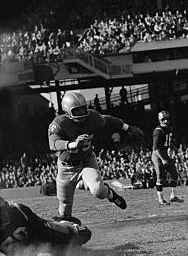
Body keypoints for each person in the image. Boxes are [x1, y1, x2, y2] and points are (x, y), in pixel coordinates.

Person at [48, 91, 145, 224]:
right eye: (77, 110)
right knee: (64, 206)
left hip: (87, 161)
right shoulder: (59, 123)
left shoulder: (92, 117)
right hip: (67, 167)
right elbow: (53, 144)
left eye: (83, 108)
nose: (82, 113)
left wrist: (127, 127)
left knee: (98, 191)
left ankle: (110, 194)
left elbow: (108, 120)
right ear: (67, 112)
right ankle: (67, 226)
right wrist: (72, 144)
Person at [0, 197, 91, 256]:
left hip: (47, 232)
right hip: (31, 248)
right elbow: (12, 253)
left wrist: (46, 250)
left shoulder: (19, 210)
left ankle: (64, 222)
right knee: (63, 253)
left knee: (84, 233)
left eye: (2, 210)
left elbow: (41, 228)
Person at [151, 111, 183, 205]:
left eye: (167, 119)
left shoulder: (169, 129)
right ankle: (160, 199)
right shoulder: (157, 131)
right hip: (157, 154)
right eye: (163, 119)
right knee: (160, 176)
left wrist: (172, 148)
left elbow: (169, 141)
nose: (166, 121)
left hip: (164, 153)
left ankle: (173, 196)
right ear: (160, 119)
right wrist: (163, 159)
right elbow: (155, 148)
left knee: (174, 174)